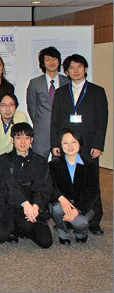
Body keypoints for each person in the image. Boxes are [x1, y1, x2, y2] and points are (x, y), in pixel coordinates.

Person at [50, 54, 108, 235]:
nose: (76, 71)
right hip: (66, 145)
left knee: (92, 184)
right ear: (66, 72)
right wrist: (55, 144)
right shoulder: (61, 93)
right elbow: (55, 121)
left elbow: (102, 120)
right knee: (66, 181)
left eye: (79, 67)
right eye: (71, 68)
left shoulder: (97, 91)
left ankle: (95, 221)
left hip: (89, 145)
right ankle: (66, 219)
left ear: (85, 69)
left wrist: (98, 144)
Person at [0, 123, 53, 248]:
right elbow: (8, 186)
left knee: (45, 242)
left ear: (31, 140)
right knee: (3, 233)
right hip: (10, 206)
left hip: (33, 207)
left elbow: (44, 187)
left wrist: (35, 206)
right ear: (12, 139)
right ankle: (19, 227)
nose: (23, 141)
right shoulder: (3, 160)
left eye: (26, 138)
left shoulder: (40, 161)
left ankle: (24, 227)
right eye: (18, 137)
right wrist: (24, 204)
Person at [49, 128, 100, 244]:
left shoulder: (89, 165)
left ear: (79, 143)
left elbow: (94, 191)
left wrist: (77, 210)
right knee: (56, 209)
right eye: (65, 143)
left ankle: (81, 233)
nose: (70, 146)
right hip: (63, 203)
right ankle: (63, 233)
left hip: (83, 204)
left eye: (73, 142)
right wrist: (61, 198)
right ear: (60, 146)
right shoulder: (53, 165)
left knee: (79, 223)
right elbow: (50, 187)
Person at [26, 47, 70, 158]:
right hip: (41, 132)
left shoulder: (67, 82)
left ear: (59, 61)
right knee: (39, 164)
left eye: (54, 59)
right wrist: (40, 121)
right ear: (42, 63)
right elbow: (32, 107)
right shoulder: (35, 83)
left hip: (62, 130)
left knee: (60, 166)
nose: (51, 62)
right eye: (48, 59)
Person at [0, 93, 28, 159]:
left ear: (16, 106)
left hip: (13, 159)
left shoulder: (21, 118)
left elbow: (24, 143)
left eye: (11, 105)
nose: (8, 109)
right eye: (3, 105)